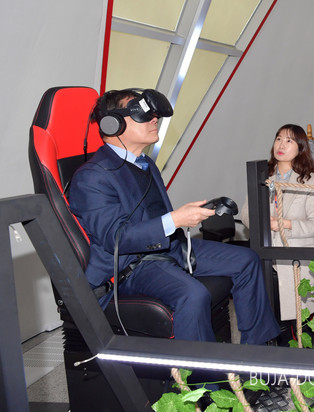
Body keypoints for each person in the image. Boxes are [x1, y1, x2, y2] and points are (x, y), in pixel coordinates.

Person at [69, 88, 279, 344]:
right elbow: (116, 239)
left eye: (153, 114)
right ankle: (202, 371)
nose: (154, 119)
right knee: (193, 294)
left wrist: (184, 218)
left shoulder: (144, 164)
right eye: (142, 114)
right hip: (131, 267)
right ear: (113, 124)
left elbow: (153, 216)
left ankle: (258, 353)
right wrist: (175, 220)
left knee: (247, 260)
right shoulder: (91, 177)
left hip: (168, 248)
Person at [241, 124, 314, 324]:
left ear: (301, 148)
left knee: (299, 326)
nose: (281, 144)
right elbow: (245, 214)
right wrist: (263, 223)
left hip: (296, 262)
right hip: (265, 259)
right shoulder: (263, 176)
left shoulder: (311, 180)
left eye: (289, 140)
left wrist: (285, 224)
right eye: (278, 138)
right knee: (266, 321)